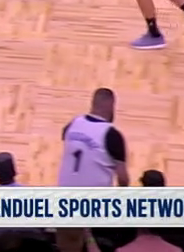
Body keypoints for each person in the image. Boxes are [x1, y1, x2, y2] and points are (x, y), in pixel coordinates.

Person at [56, 88, 129, 252]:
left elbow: (65, 137)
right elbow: (123, 180)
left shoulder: (72, 124)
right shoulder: (112, 135)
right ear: (111, 106)